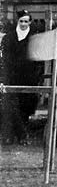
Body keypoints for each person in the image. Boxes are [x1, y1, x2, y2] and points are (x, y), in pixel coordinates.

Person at [0, 10, 43, 145]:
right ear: (17, 22)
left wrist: (37, 78)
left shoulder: (34, 38)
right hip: (11, 77)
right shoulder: (9, 38)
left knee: (26, 107)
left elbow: (39, 62)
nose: (23, 24)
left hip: (29, 78)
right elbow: (4, 60)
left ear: (30, 22)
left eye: (26, 21)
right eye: (21, 21)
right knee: (11, 105)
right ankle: (12, 135)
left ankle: (22, 135)